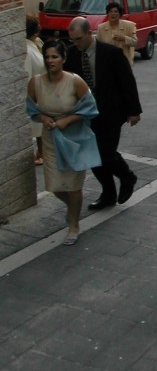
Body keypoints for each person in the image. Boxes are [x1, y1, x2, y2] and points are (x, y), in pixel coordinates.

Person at [26, 39, 100, 245]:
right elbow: (31, 108)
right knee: (55, 185)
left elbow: (90, 108)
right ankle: (72, 208)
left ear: (63, 59)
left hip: (75, 139)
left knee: (74, 186)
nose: (50, 61)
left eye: (55, 57)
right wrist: (43, 118)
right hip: (51, 140)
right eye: (47, 57)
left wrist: (67, 120)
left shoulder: (75, 81)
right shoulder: (36, 82)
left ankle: (74, 224)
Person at [65, 17, 142, 210]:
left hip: (111, 113)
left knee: (106, 153)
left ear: (89, 33)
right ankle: (108, 194)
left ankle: (127, 176)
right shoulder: (71, 55)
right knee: (94, 157)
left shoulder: (111, 54)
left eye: (78, 39)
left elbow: (127, 82)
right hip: (86, 115)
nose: (75, 43)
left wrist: (134, 111)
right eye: (72, 39)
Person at [24, 14, 45, 165]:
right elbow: (27, 74)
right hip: (35, 93)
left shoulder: (37, 43)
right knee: (36, 126)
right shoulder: (26, 49)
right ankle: (38, 153)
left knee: (41, 128)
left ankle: (42, 152)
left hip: (42, 91)